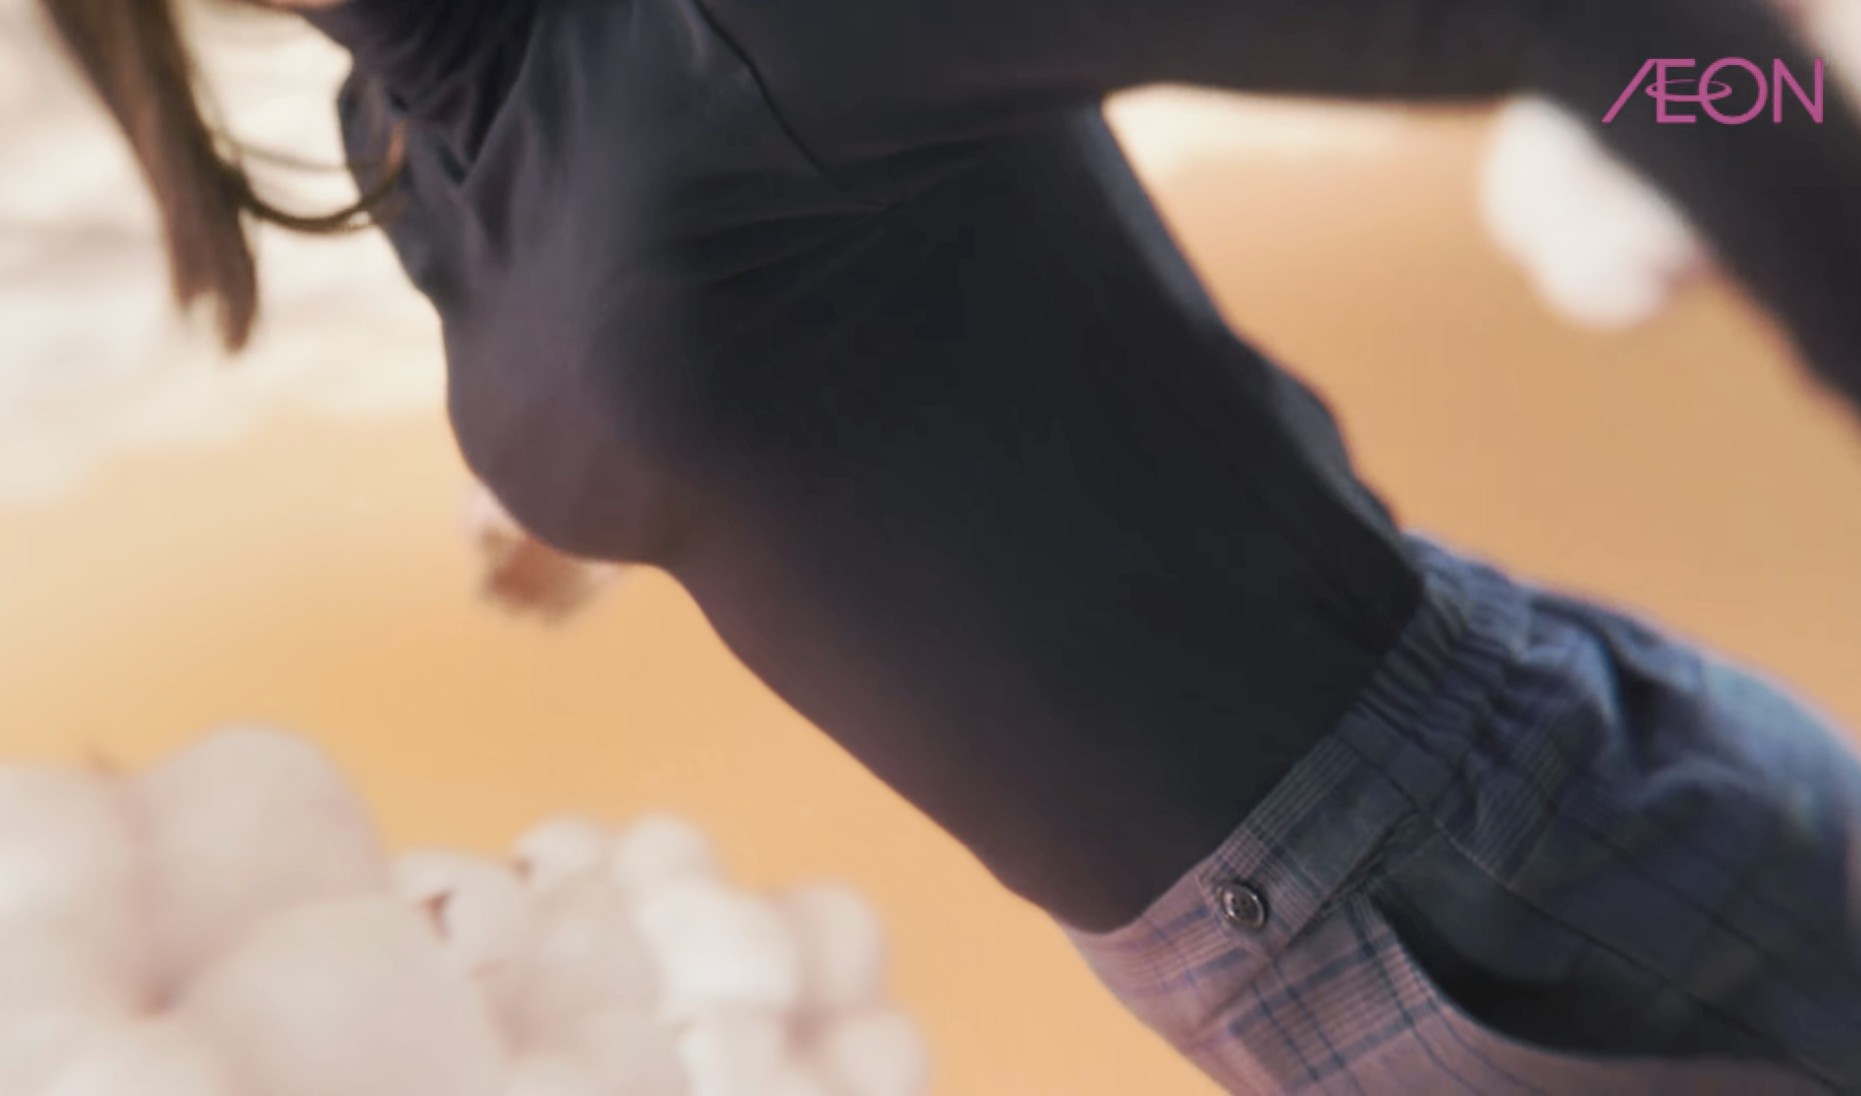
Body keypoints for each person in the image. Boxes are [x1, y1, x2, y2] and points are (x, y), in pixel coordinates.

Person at [37, 0, 1861, 1089]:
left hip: (1491, 868)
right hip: (1262, 961)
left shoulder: (724, 29)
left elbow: (1584, 13)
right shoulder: (401, 135)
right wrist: (567, 500)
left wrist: (1784, 136)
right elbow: (673, 307)